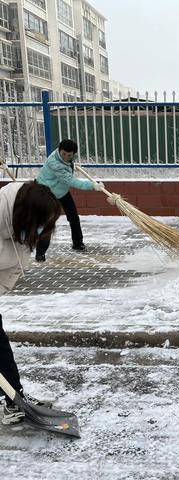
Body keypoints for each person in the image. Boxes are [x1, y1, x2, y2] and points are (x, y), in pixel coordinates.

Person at [0, 181, 61, 425]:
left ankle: (15, 398)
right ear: (27, 214)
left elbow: (10, 271)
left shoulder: (19, 233)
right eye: (40, 223)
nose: (40, 230)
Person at [35, 139, 104, 261]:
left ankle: (78, 244)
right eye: (64, 154)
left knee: (73, 217)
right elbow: (71, 181)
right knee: (48, 223)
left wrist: (72, 165)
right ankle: (40, 253)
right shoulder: (55, 164)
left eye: (70, 155)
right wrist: (92, 186)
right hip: (47, 193)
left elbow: (67, 164)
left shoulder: (64, 158)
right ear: (59, 150)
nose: (66, 157)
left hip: (61, 191)